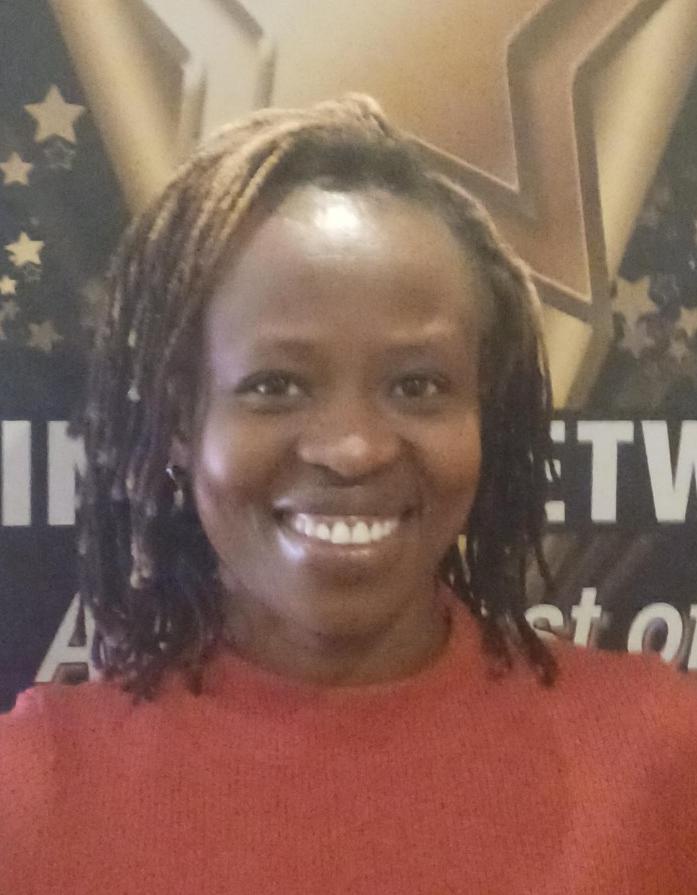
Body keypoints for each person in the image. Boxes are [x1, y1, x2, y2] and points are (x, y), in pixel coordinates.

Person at [1, 94, 696, 895]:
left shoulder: (653, 759)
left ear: (484, 413)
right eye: (273, 385)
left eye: (416, 384)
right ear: (182, 420)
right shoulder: (34, 796)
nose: (353, 447)